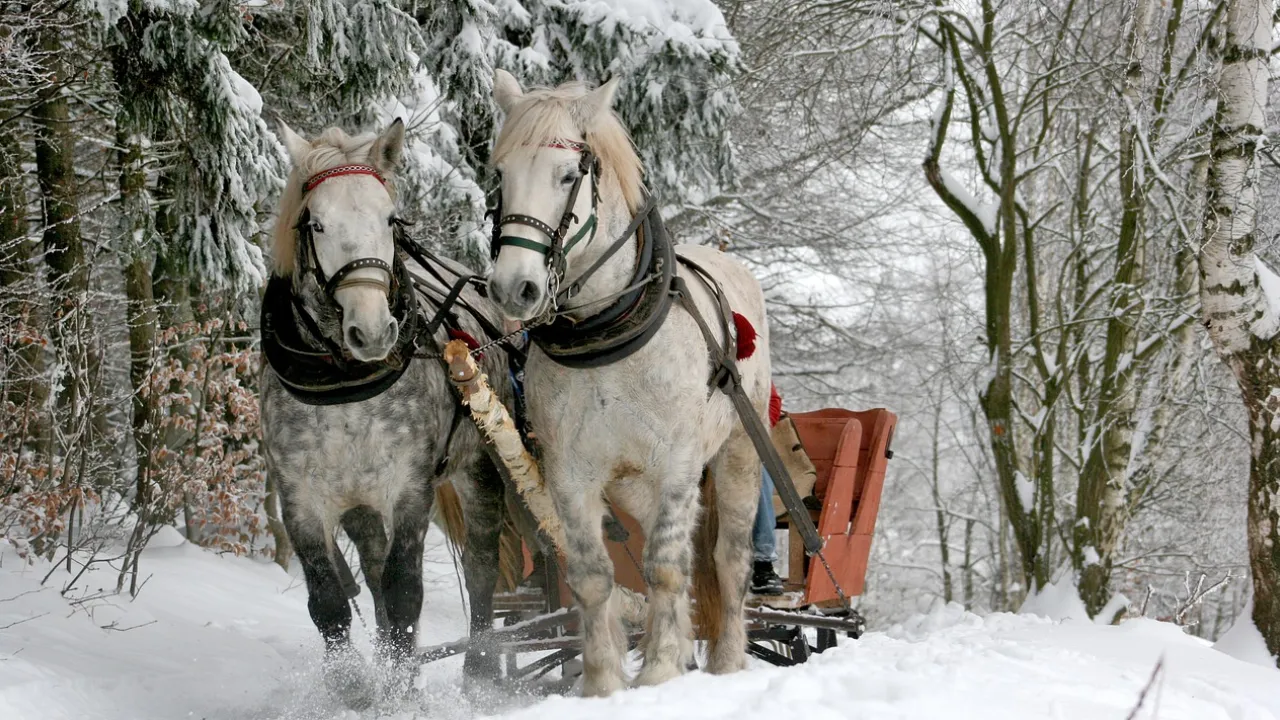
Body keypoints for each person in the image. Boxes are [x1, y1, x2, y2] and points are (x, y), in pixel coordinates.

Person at [750, 383, 785, 596]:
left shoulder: (749, 358)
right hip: (695, 441)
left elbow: (772, 402)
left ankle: (762, 562)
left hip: (741, 438)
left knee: (757, 471)